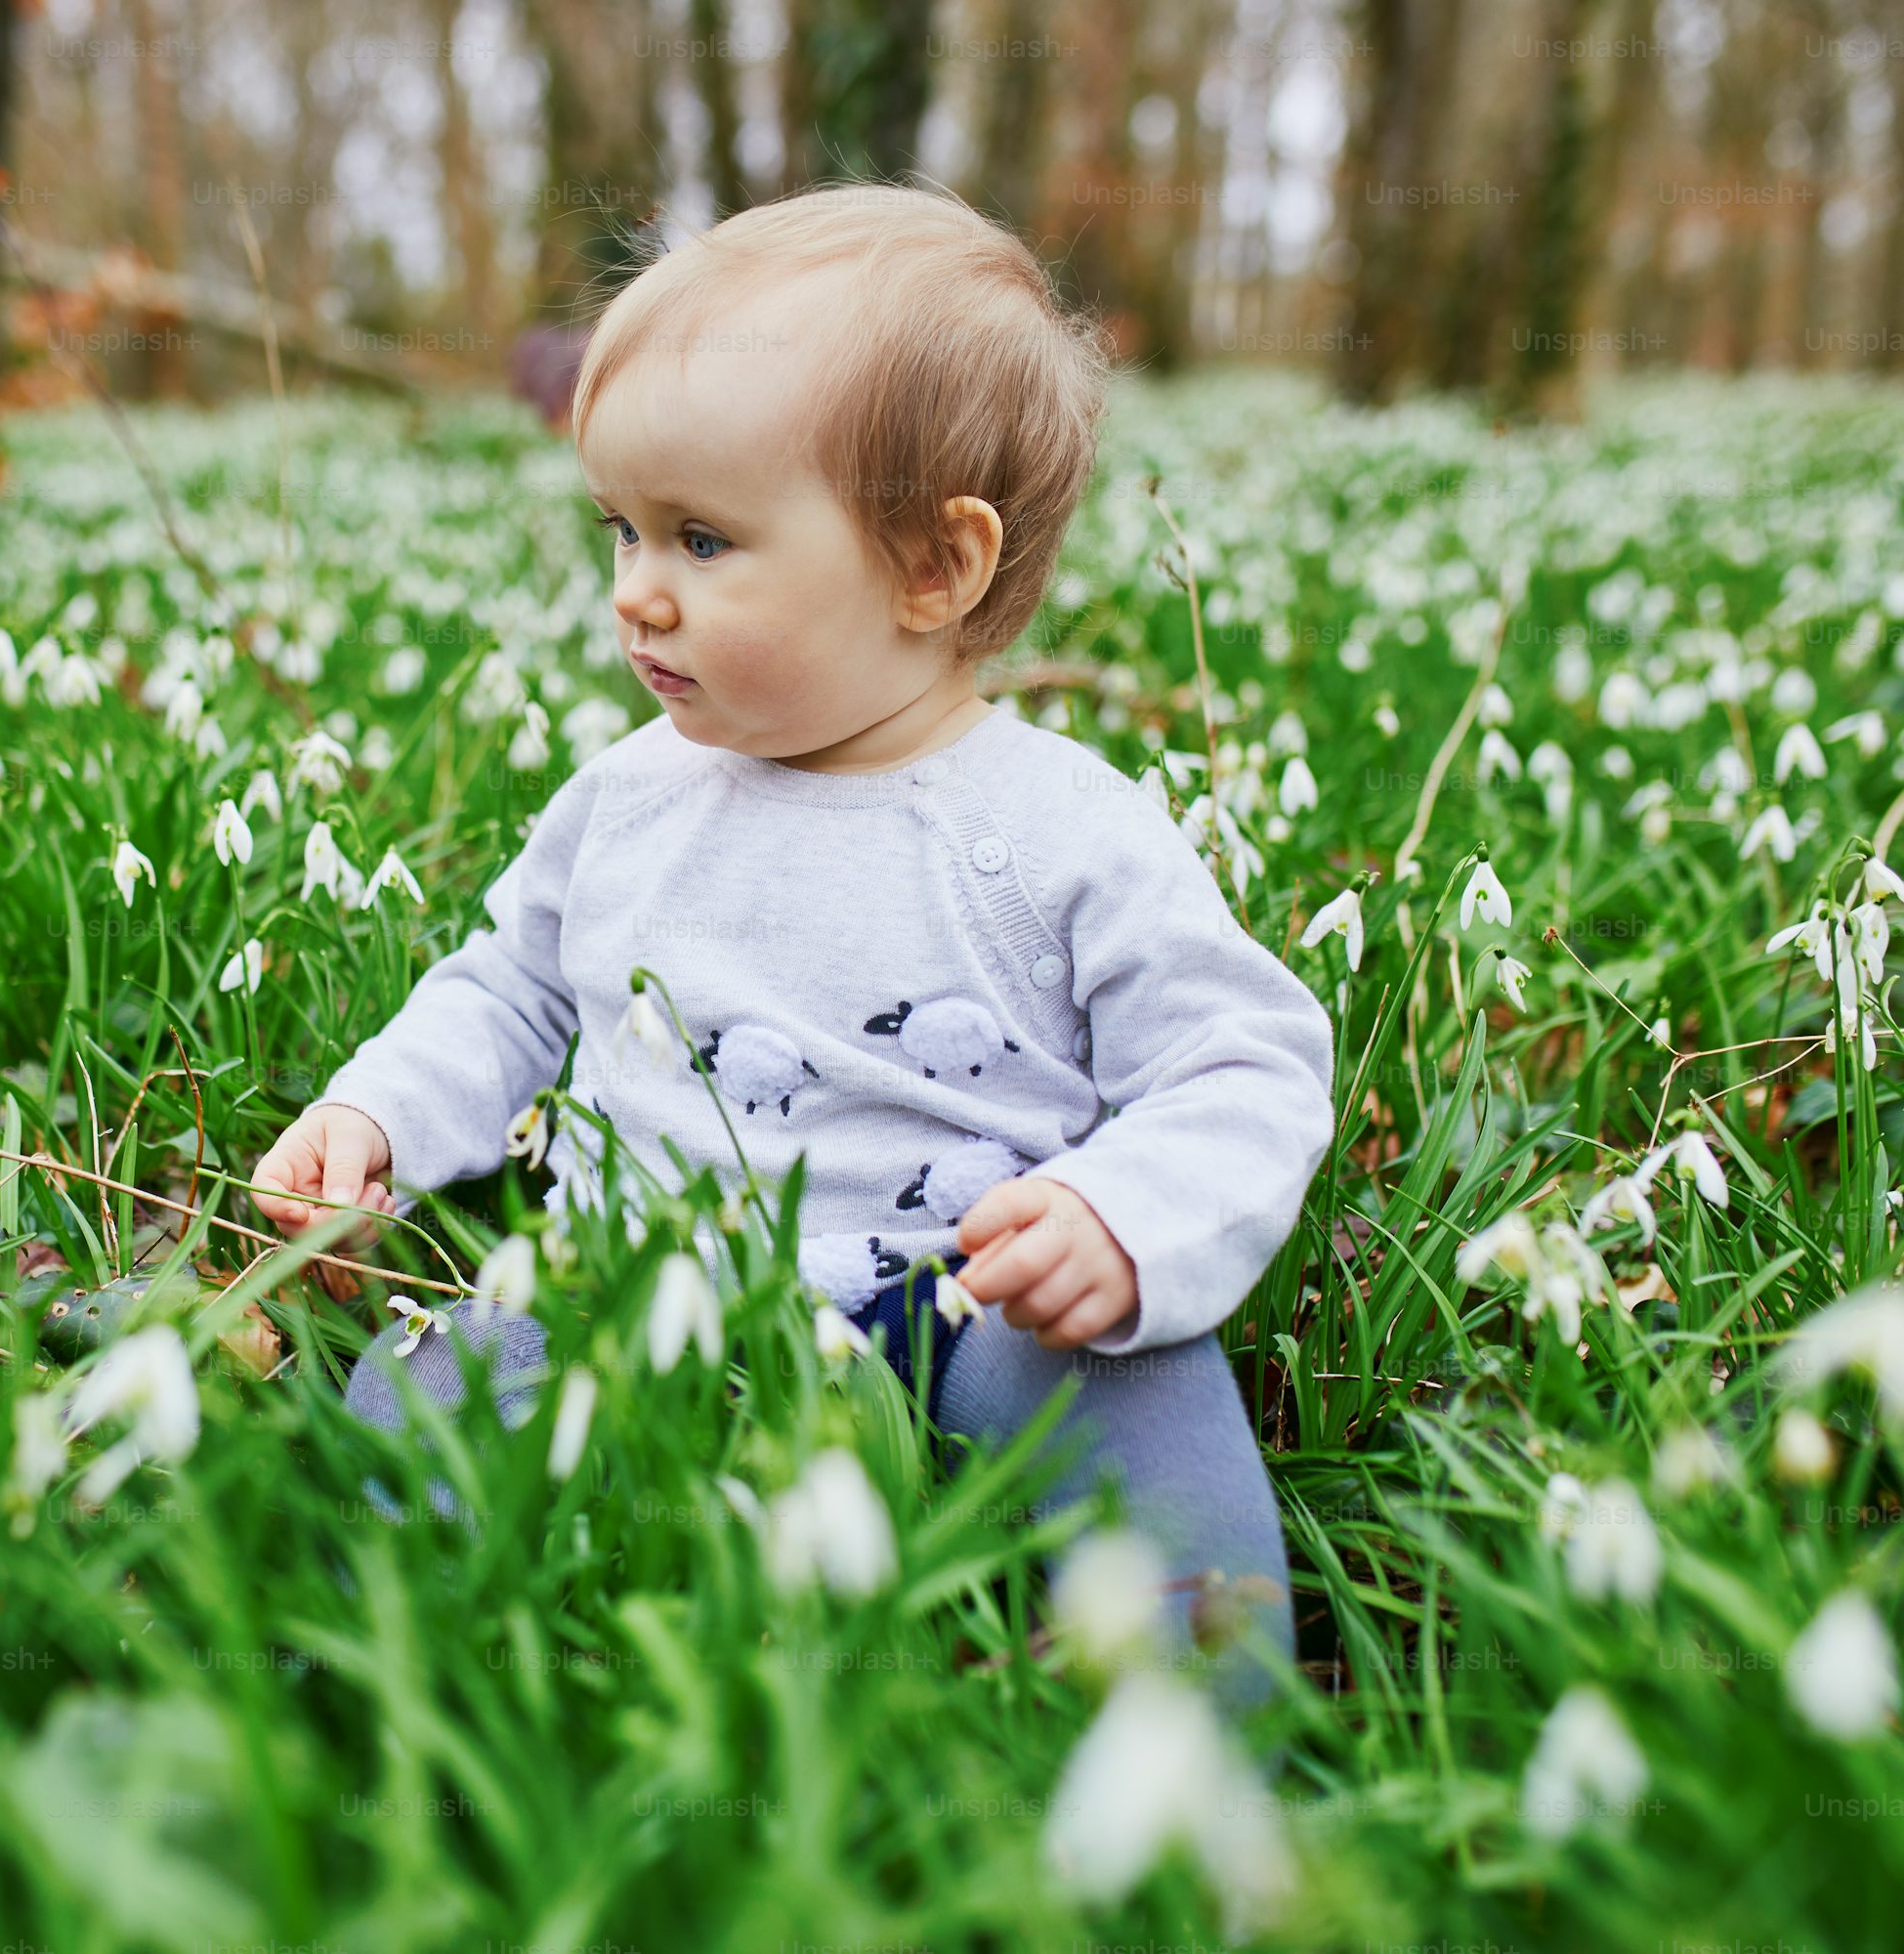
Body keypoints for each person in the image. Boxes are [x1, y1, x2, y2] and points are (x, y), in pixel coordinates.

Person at [248, 180, 1333, 1712]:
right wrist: (375, 1113)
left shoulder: (1062, 830)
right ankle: (391, 1689)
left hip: (975, 1306)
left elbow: (1246, 1057)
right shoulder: (626, 800)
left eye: (700, 537)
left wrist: (1125, 1218)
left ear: (934, 569)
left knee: (1142, 1393)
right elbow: (507, 990)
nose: (635, 591)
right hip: (624, 1285)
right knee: (431, 1374)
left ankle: (1196, 1733)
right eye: (619, 528)